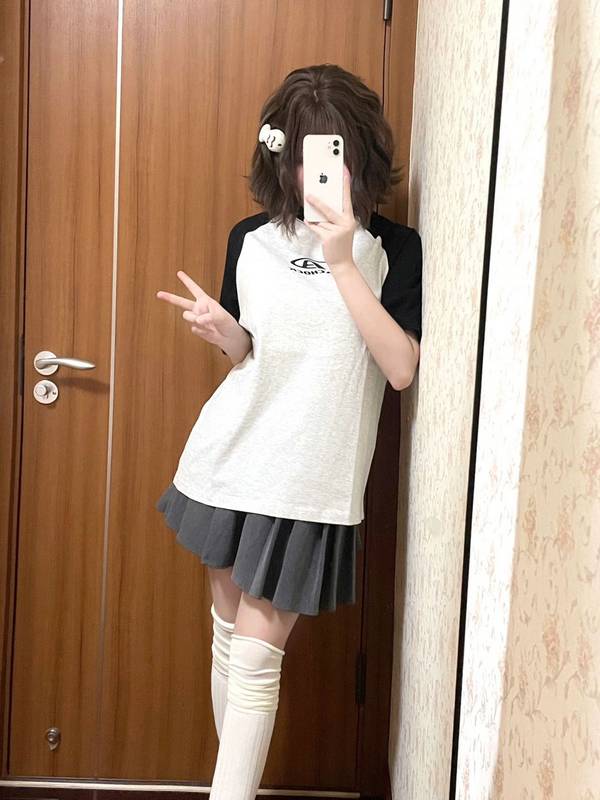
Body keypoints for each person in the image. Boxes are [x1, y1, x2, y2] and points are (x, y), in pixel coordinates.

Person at [154, 63, 422, 800]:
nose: (318, 175)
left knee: (256, 658)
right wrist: (226, 333)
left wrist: (341, 261)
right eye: (305, 156)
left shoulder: (393, 249)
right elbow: (251, 354)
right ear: (281, 156)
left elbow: (400, 368)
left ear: (361, 155)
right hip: (231, 460)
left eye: (335, 154)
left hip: (312, 478)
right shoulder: (251, 238)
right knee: (230, 643)